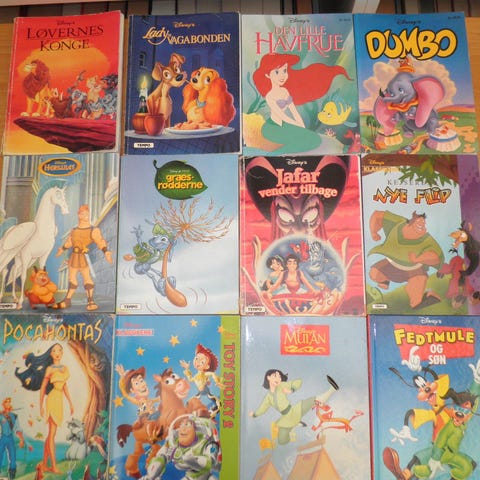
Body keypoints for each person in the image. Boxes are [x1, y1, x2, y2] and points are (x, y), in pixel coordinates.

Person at [252, 52, 350, 154]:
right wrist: (298, 127)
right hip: (272, 128)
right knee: (306, 140)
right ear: (267, 75)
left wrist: (302, 128)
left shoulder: (285, 91)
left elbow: (294, 112)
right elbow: (282, 116)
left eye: (284, 70)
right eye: (277, 72)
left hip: (284, 125)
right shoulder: (270, 96)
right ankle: (274, 154)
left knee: (314, 139)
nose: (282, 75)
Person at [368, 210, 444, 309]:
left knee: (415, 303)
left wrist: (418, 259)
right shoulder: (397, 223)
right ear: (411, 221)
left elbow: (436, 257)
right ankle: (385, 281)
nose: (422, 225)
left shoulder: (427, 239)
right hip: (392, 264)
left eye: (424, 224)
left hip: (414, 270)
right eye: (419, 222)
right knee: (374, 274)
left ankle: (430, 295)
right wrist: (373, 232)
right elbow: (377, 215)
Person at [249, 369, 339, 445]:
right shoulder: (268, 397)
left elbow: (298, 381)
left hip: (295, 410)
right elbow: (263, 408)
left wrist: (291, 390)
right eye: (275, 376)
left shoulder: (282, 386)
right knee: (282, 441)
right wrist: (255, 414)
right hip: (286, 418)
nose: (278, 378)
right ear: (268, 377)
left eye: (279, 377)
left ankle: (332, 388)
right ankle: (295, 424)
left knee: (313, 400)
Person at [54, 204, 113, 310]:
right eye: (82, 213)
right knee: (72, 279)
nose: (85, 215)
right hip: (74, 257)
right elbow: (70, 242)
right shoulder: (74, 230)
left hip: (84, 257)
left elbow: (100, 241)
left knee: (87, 278)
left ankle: (90, 301)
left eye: (86, 213)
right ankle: (67, 301)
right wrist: (62, 249)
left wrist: (106, 252)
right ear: (78, 215)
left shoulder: (93, 230)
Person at [0, 397, 24, 480]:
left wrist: (21, 439)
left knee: (13, 457)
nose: (8, 403)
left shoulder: (14, 416)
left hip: (10, 438)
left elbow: (18, 429)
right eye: (6, 402)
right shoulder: (1, 415)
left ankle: (12, 476)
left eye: (9, 402)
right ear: (3, 404)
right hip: (3, 437)